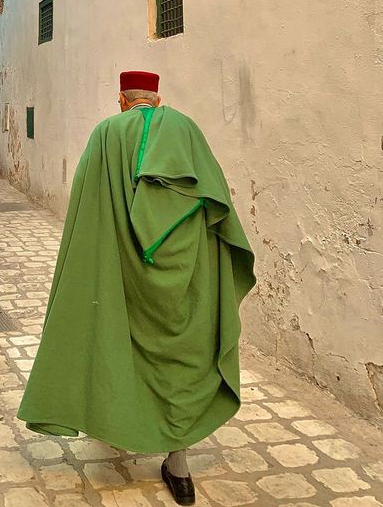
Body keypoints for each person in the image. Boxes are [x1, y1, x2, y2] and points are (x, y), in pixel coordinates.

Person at [17, 71, 255, 506]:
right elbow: (216, 206)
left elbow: (88, 208)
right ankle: (179, 466)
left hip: (121, 267)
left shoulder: (106, 134)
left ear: (122, 100)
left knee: (115, 342)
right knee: (183, 358)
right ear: (157, 100)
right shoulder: (186, 130)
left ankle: (116, 423)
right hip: (185, 272)